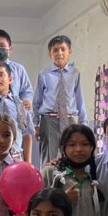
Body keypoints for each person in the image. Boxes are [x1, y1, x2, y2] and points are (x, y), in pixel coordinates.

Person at [42, 124, 108, 216]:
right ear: (63, 148)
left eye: (85, 144)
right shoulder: (50, 174)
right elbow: (37, 213)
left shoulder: (96, 185)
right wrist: (63, 200)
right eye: (72, 145)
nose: (79, 149)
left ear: (92, 148)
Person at [33, 35, 89, 165]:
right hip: (49, 120)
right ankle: (47, 177)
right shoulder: (44, 74)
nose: (59, 53)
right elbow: (37, 101)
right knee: (49, 158)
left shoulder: (75, 73)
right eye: (55, 50)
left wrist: (84, 124)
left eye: (63, 49)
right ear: (50, 54)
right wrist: (35, 124)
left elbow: (79, 100)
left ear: (69, 52)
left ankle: (70, 178)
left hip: (70, 120)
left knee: (72, 154)